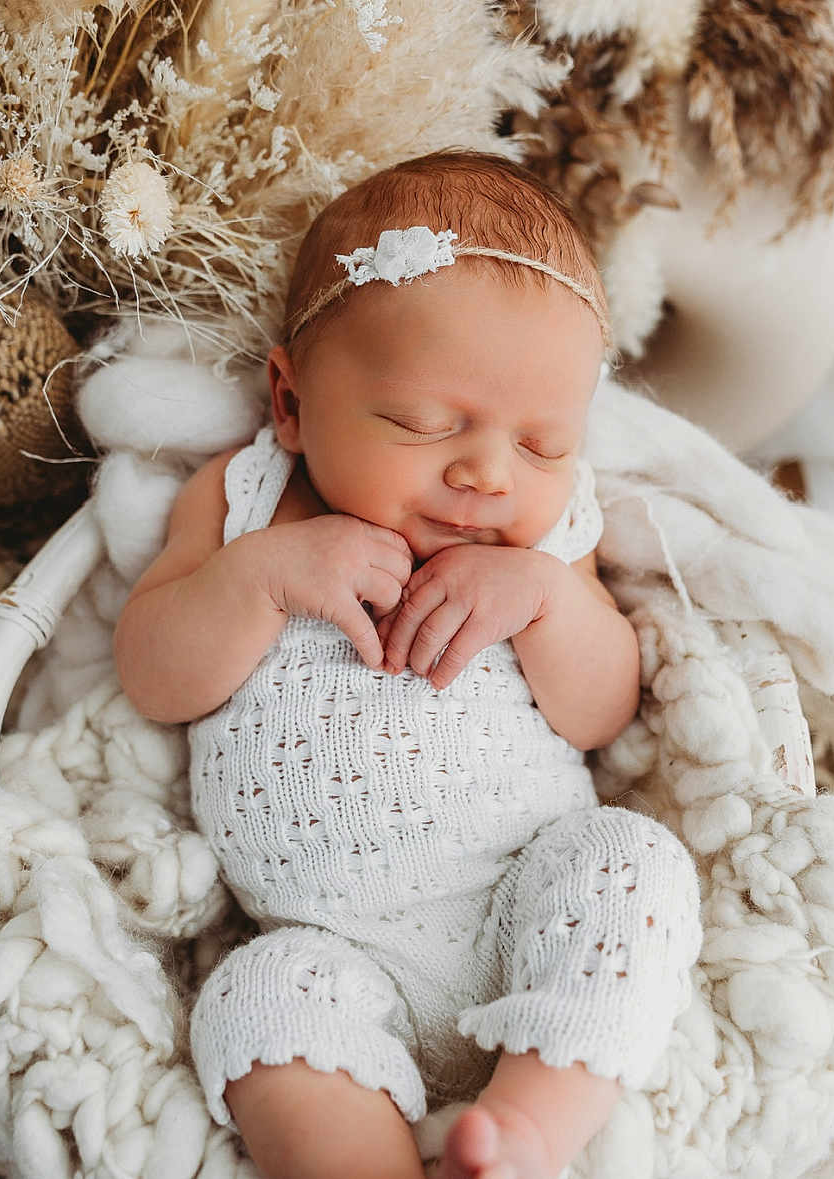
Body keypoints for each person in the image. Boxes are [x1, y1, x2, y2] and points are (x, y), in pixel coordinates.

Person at [113, 149, 702, 1179]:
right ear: (291, 403)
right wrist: (260, 580)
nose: (485, 472)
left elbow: (604, 710)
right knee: (253, 1001)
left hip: (528, 896)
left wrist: (550, 599)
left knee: (633, 866)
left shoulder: (545, 547)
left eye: (543, 444)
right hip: (330, 948)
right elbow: (154, 674)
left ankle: (524, 1133)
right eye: (426, 425)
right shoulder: (246, 499)